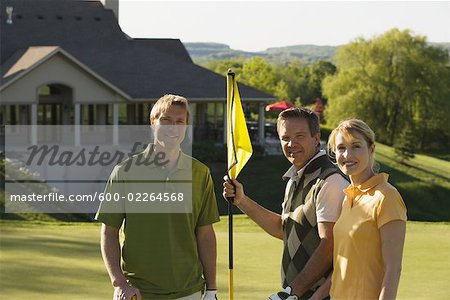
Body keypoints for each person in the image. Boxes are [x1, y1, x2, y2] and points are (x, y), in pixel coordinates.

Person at [96, 94, 220, 300]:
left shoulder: (200, 173)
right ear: (153, 123)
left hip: (190, 292)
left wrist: (212, 289)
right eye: (166, 120)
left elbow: (205, 233)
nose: (173, 128)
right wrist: (119, 283)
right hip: (139, 292)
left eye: (180, 122)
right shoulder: (125, 171)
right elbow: (109, 232)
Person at [223, 107, 349, 299]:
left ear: (316, 138)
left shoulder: (330, 181)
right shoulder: (294, 179)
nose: (292, 143)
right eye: (285, 137)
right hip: (299, 294)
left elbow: (329, 243)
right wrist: (242, 201)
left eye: (300, 136)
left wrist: (292, 291)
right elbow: (284, 229)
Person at [312, 119, 407, 300]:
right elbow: (344, 263)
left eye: (356, 146)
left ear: (371, 148)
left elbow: (393, 269)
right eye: (341, 148)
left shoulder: (387, 197)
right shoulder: (348, 198)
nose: (347, 155)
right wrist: (317, 296)